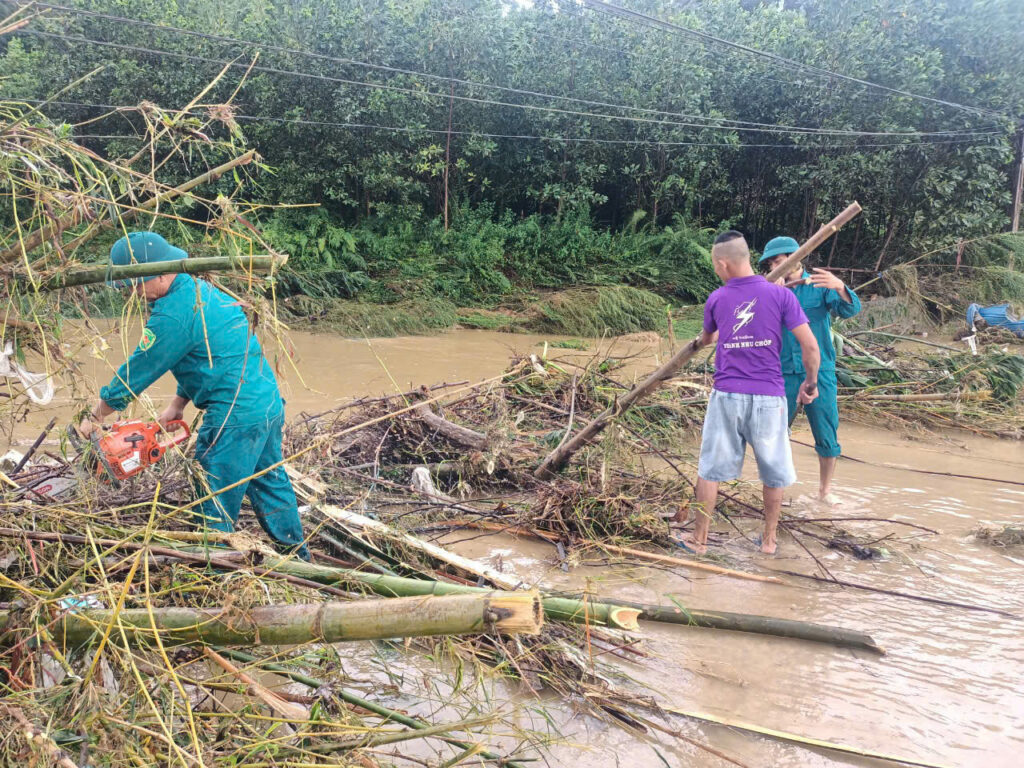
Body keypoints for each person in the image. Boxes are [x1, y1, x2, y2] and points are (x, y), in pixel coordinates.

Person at [79, 232, 310, 560]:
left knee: (212, 494)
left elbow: (139, 371)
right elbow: (207, 357)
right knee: (270, 483)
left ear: (160, 274)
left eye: (135, 285)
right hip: (265, 403)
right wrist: (178, 403)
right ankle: (299, 558)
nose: (132, 293)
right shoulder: (199, 292)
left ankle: (216, 571)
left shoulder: (172, 314)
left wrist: (95, 416)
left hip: (235, 414)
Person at [674, 231, 820, 555]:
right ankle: (768, 542)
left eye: (715, 265)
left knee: (709, 469)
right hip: (770, 398)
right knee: (774, 470)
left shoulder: (717, 298)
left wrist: (697, 342)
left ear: (723, 263)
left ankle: (699, 540)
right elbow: (811, 347)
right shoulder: (782, 297)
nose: (716, 270)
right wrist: (810, 384)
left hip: (727, 395)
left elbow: (707, 339)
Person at [759, 236, 861, 502]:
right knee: (775, 432)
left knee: (826, 431)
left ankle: (825, 492)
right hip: (781, 372)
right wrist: (774, 294)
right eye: (772, 264)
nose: (775, 266)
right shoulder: (768, 289)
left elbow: (849, 310)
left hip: (820, 370)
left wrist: (840, 287)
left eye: (780, 261)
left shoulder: (818, 286)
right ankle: (776, 489)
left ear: (796, 258)